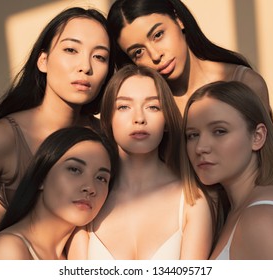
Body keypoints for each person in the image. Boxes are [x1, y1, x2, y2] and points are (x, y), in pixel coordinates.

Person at [0, 7, 115, 259]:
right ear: (42, 60)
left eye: (99, 57)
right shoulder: (4, 136)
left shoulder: (102, 138)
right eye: (70, 50)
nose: (85, 67)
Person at [68, 64, 213, 260]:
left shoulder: (192, 200)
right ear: (108, 119)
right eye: (124, 106)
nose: (139, 118)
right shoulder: (88, 196)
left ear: (167, 120)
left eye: (153, 106)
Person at [183, 81, 273, 259]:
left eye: (219, 131)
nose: (200, 147)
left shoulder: (264, 219)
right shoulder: (240, 211)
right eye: (193, 135)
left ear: (257, 136)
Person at [0, 127, 118, 260]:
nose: (90, 187)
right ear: (41, 177)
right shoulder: (7, 253)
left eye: (101, 178)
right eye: (74, 169)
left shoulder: (73, 256)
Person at [107, 0, 272, 116]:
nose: (156, 56)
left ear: (178, 19)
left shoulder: (245, 83)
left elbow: (269, 162)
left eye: (158, 35)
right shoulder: (147, 109)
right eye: (138, 52)